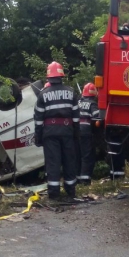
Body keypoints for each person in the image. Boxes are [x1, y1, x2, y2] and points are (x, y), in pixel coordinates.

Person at [34, 62, 80, 200]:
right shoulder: (71, 92)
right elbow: (76, 118)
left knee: (53, 162)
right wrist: (75, 134)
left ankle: (54, 193)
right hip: (67, 131)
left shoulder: (43, 95)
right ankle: (70, 191)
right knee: (69, 161)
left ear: (48, 77)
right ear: (61, 76)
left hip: (50, 133)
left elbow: (38, 119)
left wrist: (38, 137)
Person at [77, 83, 99, 185]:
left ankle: (77, 178)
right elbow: (96, 117)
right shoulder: (92, 104)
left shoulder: (78, 102)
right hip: (86, 132)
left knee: (77, 155)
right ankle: (85, 179)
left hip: (76, 131)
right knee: (87, 156)